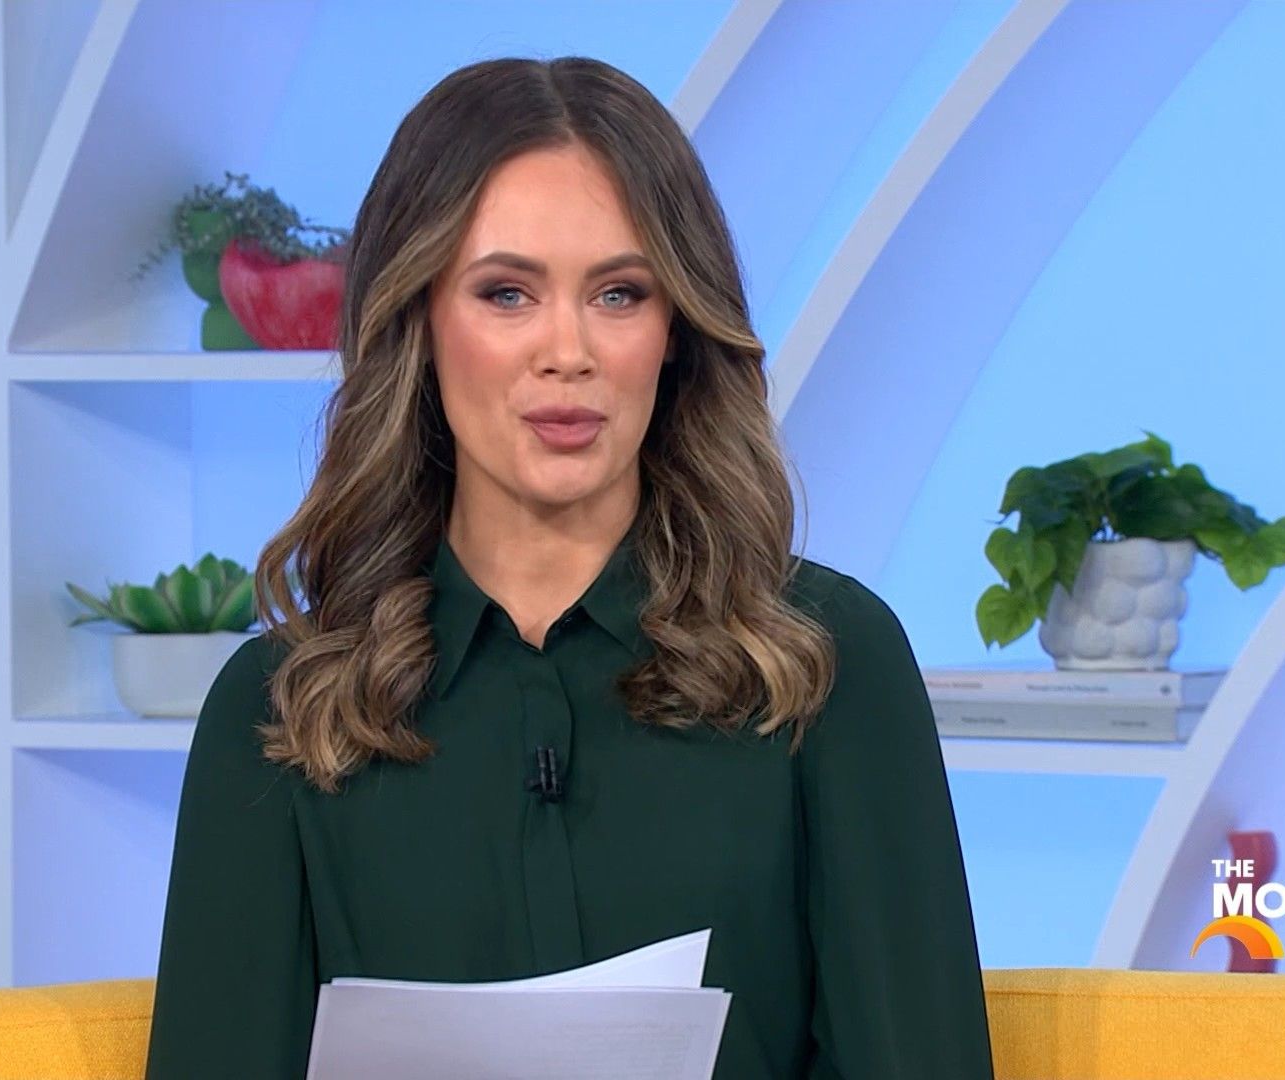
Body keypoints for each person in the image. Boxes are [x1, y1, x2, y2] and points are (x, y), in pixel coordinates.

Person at [144, 56, 994, 1079]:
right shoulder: (281, 713)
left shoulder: (825, 664)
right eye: (506, 293)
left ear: (674, 331)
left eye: (619, 294)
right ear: (417, 320)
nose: (568, 351)